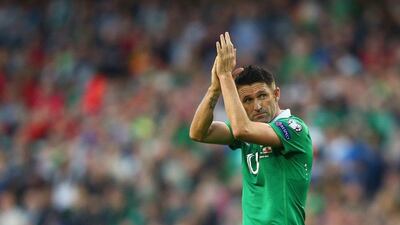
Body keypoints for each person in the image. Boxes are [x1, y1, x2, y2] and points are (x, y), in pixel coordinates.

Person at [189, 32, 313, 225]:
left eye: (262, 96)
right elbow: (198, 132)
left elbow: (241, 130)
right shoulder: (247, 130)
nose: (257, 106)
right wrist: (215, 89)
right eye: (247, 100)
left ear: (276, 94)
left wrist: (225, 77)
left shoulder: (293, 128)